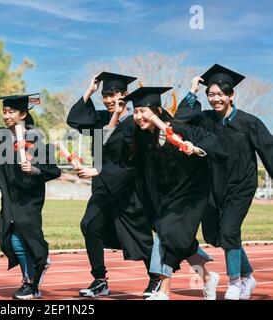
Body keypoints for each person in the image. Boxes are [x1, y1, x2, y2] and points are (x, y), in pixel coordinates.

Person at [176, 64, 273, 300]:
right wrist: (192, 91)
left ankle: (235, 282)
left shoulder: (250, 123)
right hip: (213, 185)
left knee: (230, 230)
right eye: (211, 94)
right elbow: (181, 120)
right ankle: (248, 275)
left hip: (241, 185)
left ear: (231, 95)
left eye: (221, 94)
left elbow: (269, 151)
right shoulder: (205, 119)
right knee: (215, 235)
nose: (215, 99)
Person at [124, 86, 226, 300]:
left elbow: (212, 143)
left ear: (157, 110)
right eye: (135, 112)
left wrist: (195, 148)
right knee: (180, 240)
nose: (139, 116)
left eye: (143, 111)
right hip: (167, 197)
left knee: (167, 232)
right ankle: (207, 277)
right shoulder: (144, 137)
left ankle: (163, 290)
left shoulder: (181, 129)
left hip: (191, 193)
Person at [67, 72, 159, 298]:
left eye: (113, 94)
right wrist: (90, 90)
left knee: (138, 234)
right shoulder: (99, 119)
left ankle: (156, 278)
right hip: (102, 187)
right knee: (90, 226)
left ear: (125, 95)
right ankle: (100, 280)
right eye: (105, 95)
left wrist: (98, 170)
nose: (108, 99)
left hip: (128, 187)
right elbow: (75, 119)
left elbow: (130, 163)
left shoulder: (134, 123)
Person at [0, 93, 61, 299]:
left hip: (29, 198)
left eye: (12, 112)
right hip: (9, 197)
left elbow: (54, 170)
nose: (7, 115)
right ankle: (32, 279)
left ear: (23, 114)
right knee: (10, 239)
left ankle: (30, 283)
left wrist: (34, 169)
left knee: (24, 239)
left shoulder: (35, 138)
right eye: (5, 111)